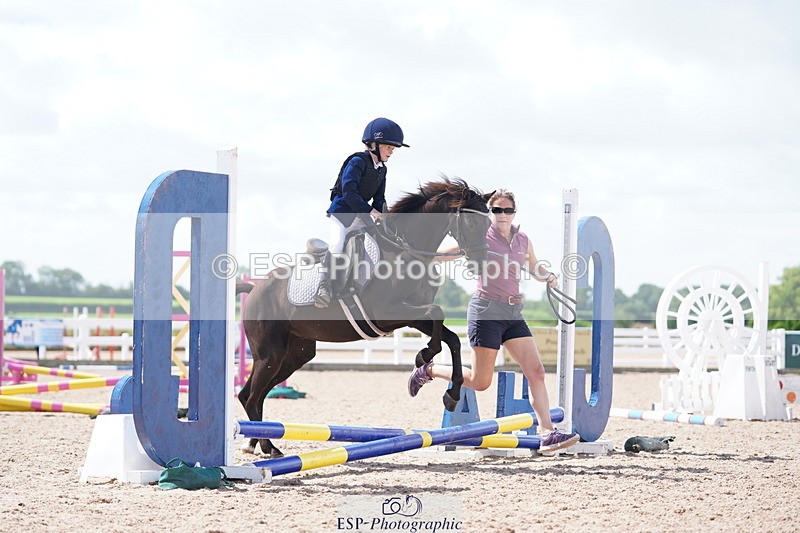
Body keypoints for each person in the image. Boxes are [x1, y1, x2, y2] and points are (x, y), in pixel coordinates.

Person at [406, 188, 580, 453]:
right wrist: (429, 257)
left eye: (507, 210)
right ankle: (428, 370)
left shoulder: (522, 239)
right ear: (490, 212)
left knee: (536, 371)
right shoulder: (481, 237)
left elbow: (533, 265)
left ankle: (548, 433)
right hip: (486, 311)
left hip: (513, 314)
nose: (502, 215)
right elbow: (450, 253)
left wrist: (549, 276)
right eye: (496, 210)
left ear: (514, 212)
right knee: (480, 381)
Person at [315, 117, 409, 308]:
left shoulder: (382, 169)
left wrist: (386, 214)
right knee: (337, 244)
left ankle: (364, 287)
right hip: (342, 214)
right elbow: (349, 192)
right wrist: (371, 211)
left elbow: (379, 198)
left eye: (393, 149)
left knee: (377, 244)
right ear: (374, 145)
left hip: (362, 216)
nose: (391, 152)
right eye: (389, 147)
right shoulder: (357, 161)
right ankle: (323, 287)